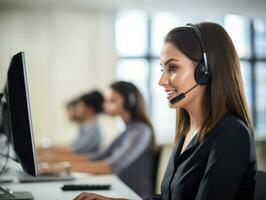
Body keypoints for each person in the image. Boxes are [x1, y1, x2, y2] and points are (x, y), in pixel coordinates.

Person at [73, 22, 257, 200]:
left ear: (205, 71)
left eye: (172, 68)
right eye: (163, 69)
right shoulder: (188, 132)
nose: (161, 80)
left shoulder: (232, 134)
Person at [39, 81, 156, 199]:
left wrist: (62, 167)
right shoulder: (127, 131)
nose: (105, 105)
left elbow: (111, 166)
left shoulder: (140, 131)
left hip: (133, 195)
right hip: (119, 189)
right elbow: (98, 156)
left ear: (129, 102)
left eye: (112, 101)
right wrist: (58, 165)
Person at [38, 90, 104, 159]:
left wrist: (47, 151)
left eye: (80, 106)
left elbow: (74, 151)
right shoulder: (87, 128)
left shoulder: (93, 130)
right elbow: (72, 147)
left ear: (90, 109)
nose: (77, 109)